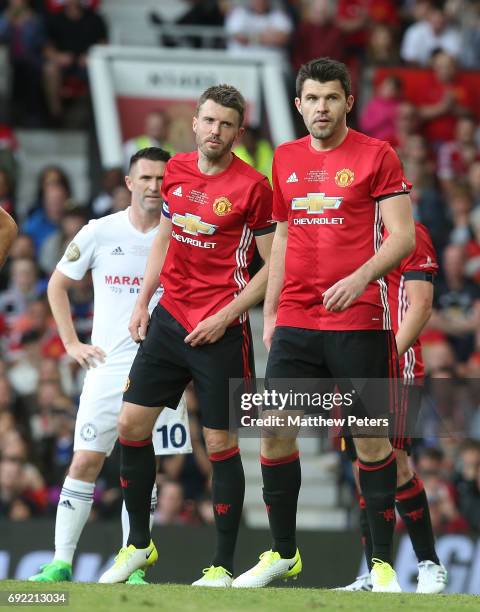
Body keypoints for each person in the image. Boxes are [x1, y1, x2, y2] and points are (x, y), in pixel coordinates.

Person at [232, 58, 415, 592]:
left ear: (348, 102)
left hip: (360, 318)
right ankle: (283, 554)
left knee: (371, 440)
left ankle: (380, 567)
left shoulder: (377, 155)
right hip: (296, 318)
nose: (321, 108)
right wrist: (271, 311)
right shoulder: (284, 159)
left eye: (331, 98)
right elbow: (283, 237)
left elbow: (401, 237)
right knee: (273, 431)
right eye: (312, 99)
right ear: (298, 105)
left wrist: (360, 278)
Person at [99, 84, 274, 587]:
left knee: (219, 442)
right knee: (131, 426)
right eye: (208, 120)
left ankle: (220, 565)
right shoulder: (174, 170)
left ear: (238, 132)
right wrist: (142, 300)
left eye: (225, 123)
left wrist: (229, 314)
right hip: (171, 318)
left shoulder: (254, 188)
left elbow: (272, 265)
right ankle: (138, 545)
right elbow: (167, 237)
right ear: (194, 123)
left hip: (222, 330)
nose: (214, 130)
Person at [28, 147, 191, 585]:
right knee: (84, 461)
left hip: (161, 369)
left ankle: (133, 563)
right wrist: (70, 343)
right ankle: (61, 562)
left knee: (145, 470)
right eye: (146, 178)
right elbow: (57, 285)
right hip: (105, 367)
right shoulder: (100, 232)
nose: (154, 187)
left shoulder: (182, 236)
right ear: (129, 183)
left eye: (162, 179)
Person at [338, 222, 447, 593]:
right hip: (351, 362)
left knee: (394, 464)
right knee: (361, 469)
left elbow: (421, 306)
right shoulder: (348, 232)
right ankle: (374, 572)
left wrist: (384, 361)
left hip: (394, 365)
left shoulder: (410, 233)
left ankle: (429, 563)